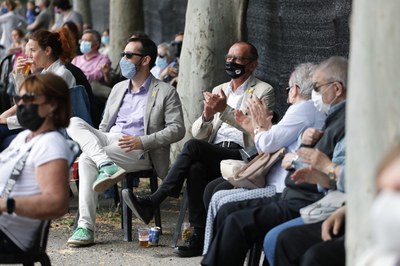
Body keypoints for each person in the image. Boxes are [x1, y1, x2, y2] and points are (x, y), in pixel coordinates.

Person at [122, 41, 275, 257]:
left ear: (252, 65)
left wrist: (224, 110)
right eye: (229, 58)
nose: (231, 62)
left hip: (242, 154)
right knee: (195, 168)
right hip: (215, 151)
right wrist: (207, 115)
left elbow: (257, 129)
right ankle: (198, 237)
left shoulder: (263, 90)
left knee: (193, 149)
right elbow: (198, 132)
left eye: (237, 59)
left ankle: (156, 199)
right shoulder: (219, 89)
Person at [200, 56, 348, 266]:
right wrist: (302, 146)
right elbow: (276, 148)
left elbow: (269, 144)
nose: (313, 93)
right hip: (291, 190)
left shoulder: (310, 109)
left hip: (298, 195)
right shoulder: (331, 116)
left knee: (254, 226)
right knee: (217, 194)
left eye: (317, 87)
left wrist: (259, 129)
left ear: (337, 89)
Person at [66, 37, 185, 246]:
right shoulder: (118, 88)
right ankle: (105, 164)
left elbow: (177, 130)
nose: (123, 59)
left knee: (86, 159)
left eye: (129, 55)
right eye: (123, 54)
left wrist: (142, 141)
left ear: (146, 59)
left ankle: (85, 228)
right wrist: (98, 142)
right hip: (111, 138)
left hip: (138, 147)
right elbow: (104, 126)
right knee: (73, 121)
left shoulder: (166, 91)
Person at [0, 73, 74, 253]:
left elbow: (57, 203)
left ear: (52, 104)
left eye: (29, 98)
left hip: (9, 235)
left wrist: (6, 204)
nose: (21, 104)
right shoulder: (23, 138)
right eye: (19, 99)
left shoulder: (50, 143)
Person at [0, 28, 76, 149]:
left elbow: (41, 112)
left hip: (52, 129)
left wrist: (7, 120)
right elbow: (25, 102)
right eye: (27, 51)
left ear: (47, 50)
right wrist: (20, 76)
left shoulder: (61, 74)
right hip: (36, 124)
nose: (28, 56)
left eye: (33, 51)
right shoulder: (45, 73)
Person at [71, 29, 112, 99]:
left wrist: (79, 74)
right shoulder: (76, 59)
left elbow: (96, 75)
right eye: (82, 40)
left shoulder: (103, 59)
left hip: (92, 95)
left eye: (86, 41)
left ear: (96, 44)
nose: (83, 43)